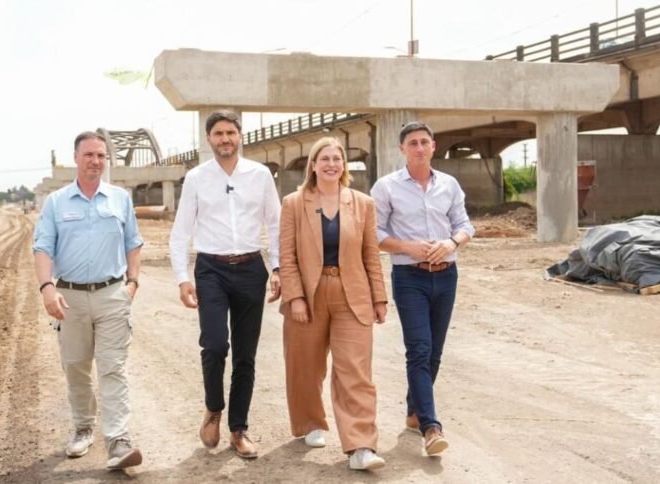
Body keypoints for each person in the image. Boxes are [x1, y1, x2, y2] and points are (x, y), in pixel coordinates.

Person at [169, 110, 281, 460]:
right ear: (209, 139)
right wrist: (182, 278)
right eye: (218, 133)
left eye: (230, 132)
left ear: (239, 135)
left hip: (251, 268)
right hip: (211, 270)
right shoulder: (196, 178)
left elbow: (276, 224)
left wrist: (278, 267)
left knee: (246, 355)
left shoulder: (260, 175)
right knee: (215, 344)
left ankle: (238, 429)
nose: (225, 139)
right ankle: (213, 408)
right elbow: (180, 232)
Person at [33, 131, 144, 470]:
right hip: (70, 298)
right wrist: (47, 288)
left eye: (101, 155)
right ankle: (83, 428)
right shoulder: (56, 202)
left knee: (113, 368)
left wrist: (132, 283)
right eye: (89, 155)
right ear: (76, 158)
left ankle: (118, 440)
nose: (96, 161)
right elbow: (42, 248)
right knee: (76, 366)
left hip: (112, 295)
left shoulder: (120, 199)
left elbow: (133, 243)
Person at [279, 137, 388, 471]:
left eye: (337, 159)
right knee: (305, 365)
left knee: (355, 370)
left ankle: (361, 447)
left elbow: (371, 254)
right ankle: (310, 422)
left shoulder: (363, 203)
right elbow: (287, 256)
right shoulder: (294, 203)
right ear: (313, 165)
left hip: (352, 294)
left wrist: (379, 298)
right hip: (308, 295)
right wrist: (295, 297)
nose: (331, 164)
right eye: (324, 159)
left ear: (344, 166)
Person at [370, 121, 474, 456]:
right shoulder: (386, 187)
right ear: (402, 149)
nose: (419, 148)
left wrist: (451, 243)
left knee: (434, 352)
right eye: (412, 143)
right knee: (418, 348)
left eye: (424, 142)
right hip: (409, 277)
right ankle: (431, 427)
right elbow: (373, 232)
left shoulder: (449, 184)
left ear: (433, 146)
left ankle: (414, 412)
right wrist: (407, 247)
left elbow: (464, 224)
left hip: (447, 275)